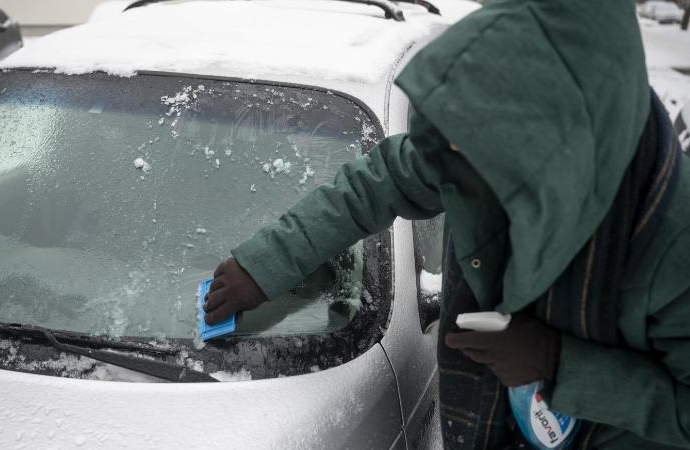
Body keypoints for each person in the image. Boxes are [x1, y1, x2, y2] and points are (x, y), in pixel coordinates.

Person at [203, 0, 690, 448]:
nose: (450, 150)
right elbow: (375, 184)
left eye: (473, 138)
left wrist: (561, 364)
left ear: (546, 147)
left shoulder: (671, 240)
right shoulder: (469, 151)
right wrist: (268, 264)